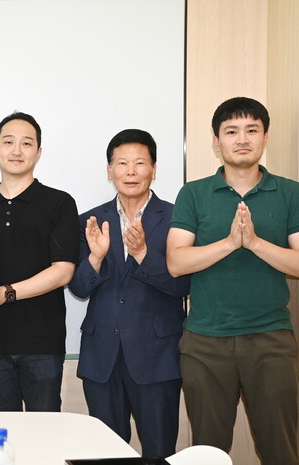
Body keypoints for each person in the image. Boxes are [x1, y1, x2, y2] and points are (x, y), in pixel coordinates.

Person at [167, 97, 299, 465]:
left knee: (281, 450)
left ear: (265, 137)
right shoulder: (193, 193)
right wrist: (230, 243)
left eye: (251, 130)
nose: (242, 139)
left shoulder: (291, 192)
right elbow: (176, 262)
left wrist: (256, 243)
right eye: (231, 131)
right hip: (205, 342)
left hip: (271, 339)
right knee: (208, 453)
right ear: (217, 142)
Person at [68, 129, 189, 457]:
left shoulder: (177, 218)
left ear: (154, 169)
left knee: (159, 451)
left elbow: (184, 286)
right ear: (110, 171)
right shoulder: (89, 221)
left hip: (157, 355)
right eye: (122, 163)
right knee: (106, 453)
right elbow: (78, 288)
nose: (131, 171)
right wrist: (96, 257)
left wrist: (142, 255)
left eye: (140, 163)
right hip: (101, 356)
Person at [0, 112, 79, 412]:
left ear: (38, 152)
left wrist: (7, 293)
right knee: (2, 429)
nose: (17, 150)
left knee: (45, 430)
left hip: (43, 342)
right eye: (8, 142)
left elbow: (63, 271)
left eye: (26, 143)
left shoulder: (60, 203)